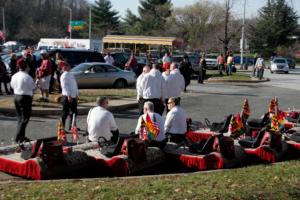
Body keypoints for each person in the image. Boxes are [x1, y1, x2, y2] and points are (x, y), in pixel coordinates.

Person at [10, 57, 35, 143]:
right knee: (25, 119)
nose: (28, 67)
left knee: (20, 118)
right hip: (25, 98)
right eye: (27, 65)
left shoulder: (14, 75)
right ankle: (18, 138)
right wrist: (37, 82)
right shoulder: (27, 77)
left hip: (16, 96)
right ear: (25, 67)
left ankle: (22, 137)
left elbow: (12, 86)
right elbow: (32, 87)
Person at [60, 61, 79, 129]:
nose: (69, 67)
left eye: (69, 66)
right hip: (67, 97)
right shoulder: (64, 75)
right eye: (68, 66)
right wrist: (68, 95)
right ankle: (62, 128)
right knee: (65, 113)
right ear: (64, 67)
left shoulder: (71, 74)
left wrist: (77, 94)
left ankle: (72, 126)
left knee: (74, 112)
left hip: (73, 96)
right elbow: (65, 86)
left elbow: (74, 85)